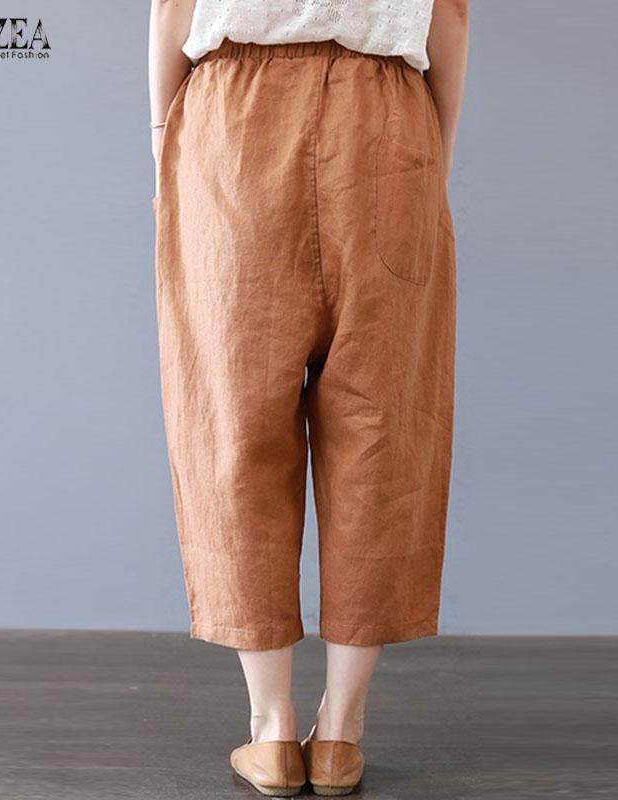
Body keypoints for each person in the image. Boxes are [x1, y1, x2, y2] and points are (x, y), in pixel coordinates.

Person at [149, 1, 468, 795]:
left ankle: (271, 731)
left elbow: (172, 8)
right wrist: (433, 149)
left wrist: (162, 138)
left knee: (235, 419)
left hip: (234, 120)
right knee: (383, 424)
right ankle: (342, 735)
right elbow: (450, 17)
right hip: (386, 119)